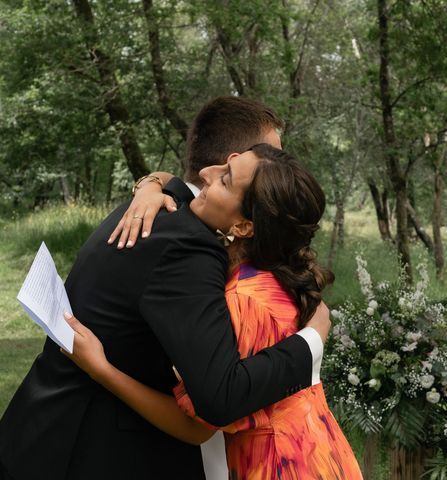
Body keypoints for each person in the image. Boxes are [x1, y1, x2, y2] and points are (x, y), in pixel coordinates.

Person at [0, 97, 329, 480]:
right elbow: (219, 398)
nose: (280, 168)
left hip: (46, 428)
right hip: (80, 450)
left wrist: (151, 182)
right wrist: (311, 342)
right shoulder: (186, 246)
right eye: (269, 154)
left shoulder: (161, 206)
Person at [64, 144, 363, 479]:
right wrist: (151, 184)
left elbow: (200, 426)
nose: (206, 173)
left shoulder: (243, 299)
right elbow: (177, 181)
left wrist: (101, 368)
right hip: (318, 450)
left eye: (225, 179)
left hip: (281, 463)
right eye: (224, 164)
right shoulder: (268, 276)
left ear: (245, 227)